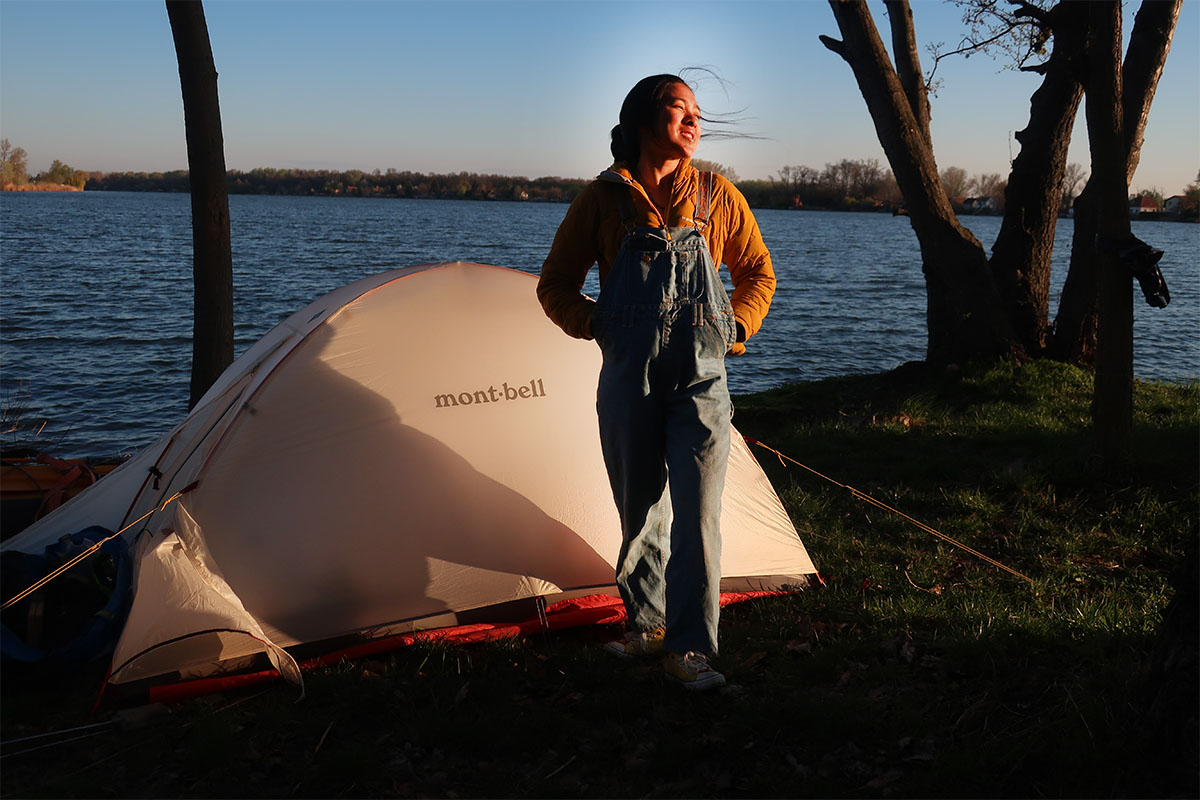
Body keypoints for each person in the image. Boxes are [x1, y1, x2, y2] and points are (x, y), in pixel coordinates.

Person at [537, 74, 775, 691]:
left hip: (702, 380)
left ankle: (691, 648)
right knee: (639, 509)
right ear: (644, 122)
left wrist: (736, 329)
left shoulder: (718, 194)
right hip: (628, 378)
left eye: (699, 112)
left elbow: (757, 273)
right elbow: (555, 284)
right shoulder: (602, 199)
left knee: (698, 515)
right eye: (680, 109)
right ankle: (646, 629)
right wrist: (598, 325)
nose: (695, 121)